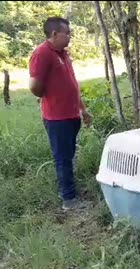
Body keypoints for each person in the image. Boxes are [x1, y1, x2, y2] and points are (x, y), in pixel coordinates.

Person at [29, 17, 92, 210]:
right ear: (55, 34)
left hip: (71, 115)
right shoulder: (42, 54)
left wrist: (83, 109)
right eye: (68, 33)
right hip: (57, 118)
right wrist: (44, 95)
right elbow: (34, 85)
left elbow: (72, 84)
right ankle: (68, 199)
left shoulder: (63, 54)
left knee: (68, 155)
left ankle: (68, 189)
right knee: (62, 158)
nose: (70, 36)